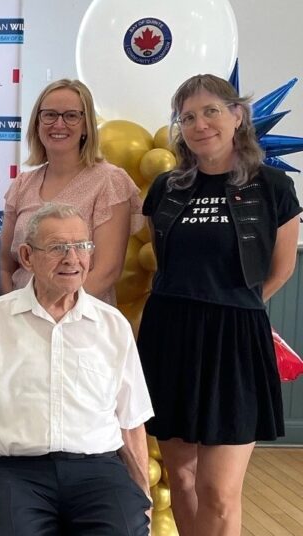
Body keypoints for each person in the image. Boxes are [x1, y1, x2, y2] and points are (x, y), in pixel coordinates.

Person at [137, 74, 302, 536]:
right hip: (169, 336)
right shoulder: (166, 188)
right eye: (187, 116)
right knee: (182, 477)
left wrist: (231, 308)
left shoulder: (273, 187)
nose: (199, 124)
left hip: (235, 342)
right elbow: (167, 263)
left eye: (211, 111)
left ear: (237, 116)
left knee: (220, 493)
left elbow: (281, 268)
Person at [0, 204, 153, 536]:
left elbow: (131, 423)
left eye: (82, 246)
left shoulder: (113, 325)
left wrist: (143, 499)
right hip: (13, 473)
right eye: (57, 248)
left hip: (98, 471)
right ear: (27, 257)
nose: (72, 258)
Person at [0, 79, 142, 305]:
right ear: (37, 122)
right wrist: (15, 312)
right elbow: (5, 265)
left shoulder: (110, 182)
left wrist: (52, 310)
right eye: (49, 115)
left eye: (71, 115)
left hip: (81, 321)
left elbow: (107, 272)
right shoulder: (22, 185)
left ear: (86, 125)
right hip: (20, 320)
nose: (58, 124)